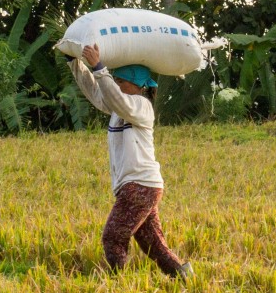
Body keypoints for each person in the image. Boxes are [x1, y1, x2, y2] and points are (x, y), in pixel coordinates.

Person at [69, 43, 193, 280]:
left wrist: (98, 66)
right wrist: (74, 63)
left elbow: (115, 98)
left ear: (137, 86)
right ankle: (182, 274)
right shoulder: (120, 107)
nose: (116, 86)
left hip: (140, 186)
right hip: (139, 186)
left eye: (121, 82)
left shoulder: (140, 106)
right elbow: (98, 93)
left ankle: (117, 283)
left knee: (113, 236)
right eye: (115, 81)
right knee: (152, 243)